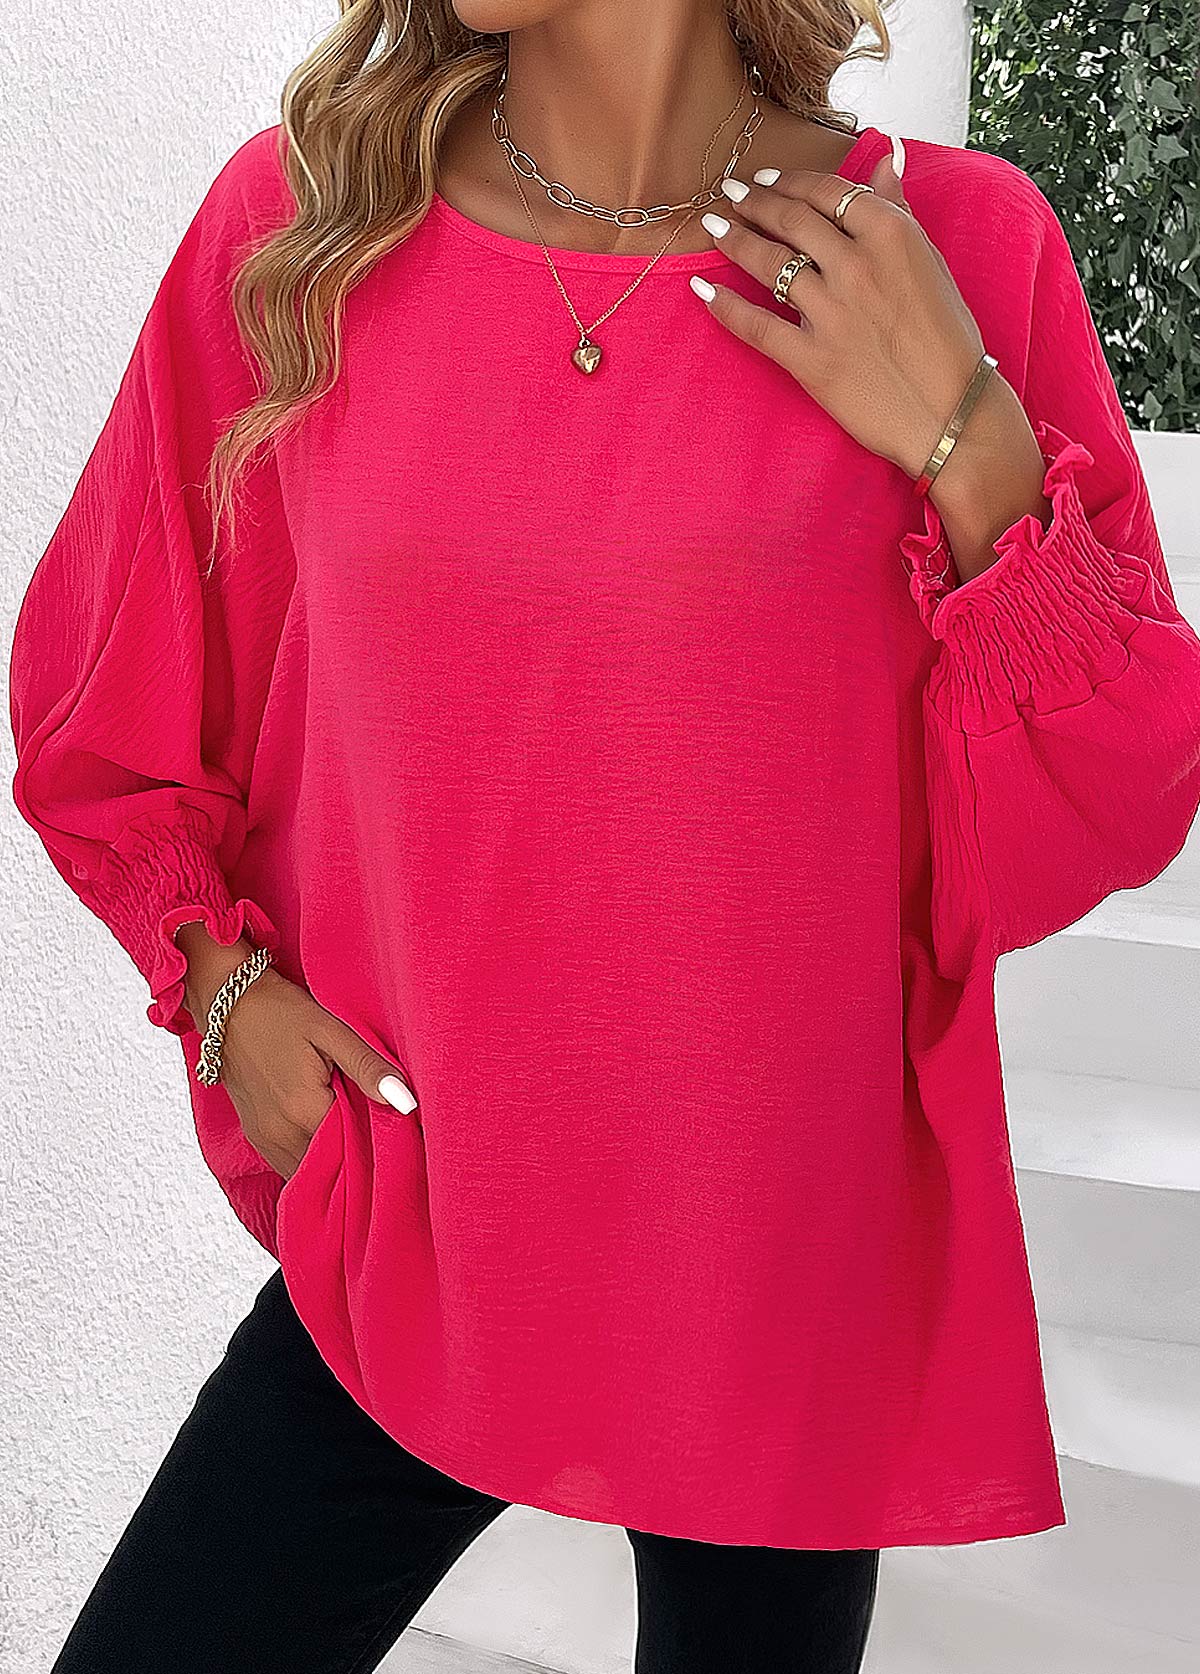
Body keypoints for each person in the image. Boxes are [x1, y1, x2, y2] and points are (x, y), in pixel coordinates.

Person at [10, 1, 1200, 1669]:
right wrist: (220, 987)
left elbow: (1117, 798)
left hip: (778, 1293)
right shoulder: (306, 234)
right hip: (415, 1227)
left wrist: (965, 433)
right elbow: (112, 678)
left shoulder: (950, 246)